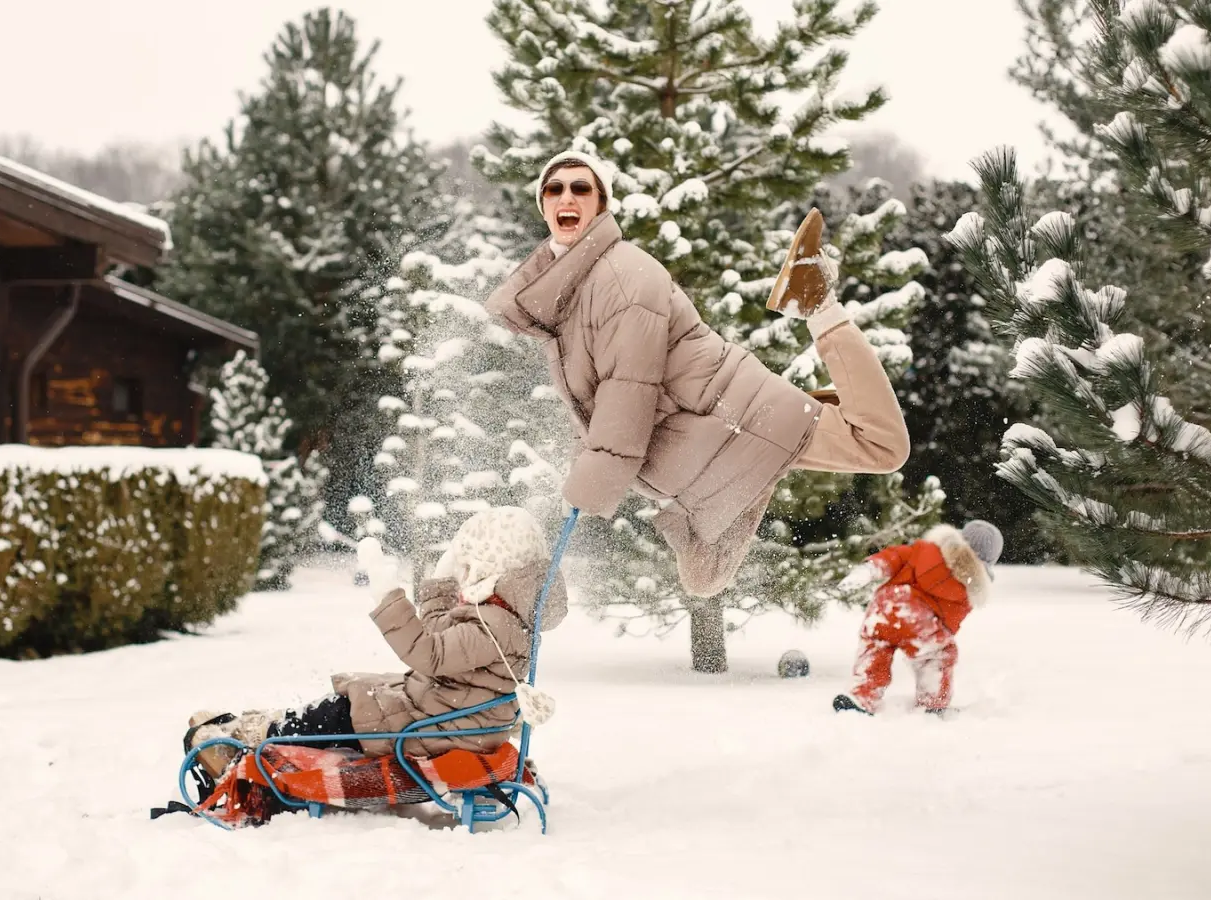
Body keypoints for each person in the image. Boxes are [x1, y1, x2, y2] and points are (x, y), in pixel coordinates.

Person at [484, 148, 910, 598]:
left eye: (580, 188)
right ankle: (787, 440)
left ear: (601, 204)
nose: (566, 197)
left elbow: (627, 391)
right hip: (706, 439)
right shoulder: (571, 296)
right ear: (544, 206)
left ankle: (818, 305)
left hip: (736, 415)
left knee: (883, 445)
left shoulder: (625, 274)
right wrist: (583, 465)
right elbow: (587, 404)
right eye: (554, 189)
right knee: (704, 577)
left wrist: (589, 487)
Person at [182, 506, 567, 777]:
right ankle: (265, 725)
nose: (463, 575)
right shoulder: (499, 617)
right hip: (445, 711)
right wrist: (441, 584)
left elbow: (427, 653)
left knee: (341, 710)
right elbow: (439, 640)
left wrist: (388, 599)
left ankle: (247, 742)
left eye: (466, 567)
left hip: (443, 727)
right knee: (358, 692)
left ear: (490, 568)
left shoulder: (493, 625)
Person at [831, 520, 1003, 716]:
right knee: (939, 656)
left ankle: (861, 697)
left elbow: (894, 556)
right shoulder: (971, 586)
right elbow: (950, 623)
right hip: (920, 621)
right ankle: (933, 703)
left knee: (875, 649)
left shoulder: (923, 549)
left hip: (886, 606)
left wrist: (871, 568)